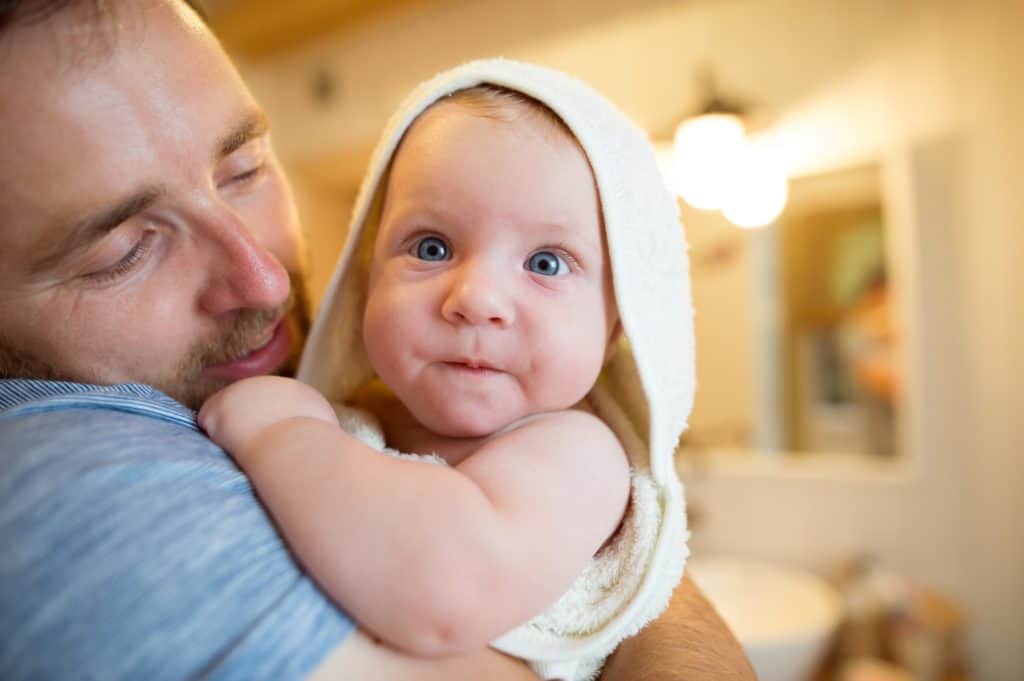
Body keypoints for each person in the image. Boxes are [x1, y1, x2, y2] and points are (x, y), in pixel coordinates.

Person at [0, 1, 755, 680]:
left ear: (620, 321)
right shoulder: (58, 475)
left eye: (245, 169)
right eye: (123, 250)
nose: (477, 299)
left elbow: (445, 586)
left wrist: (286, 431)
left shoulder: (576, 451)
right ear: (371, 269)